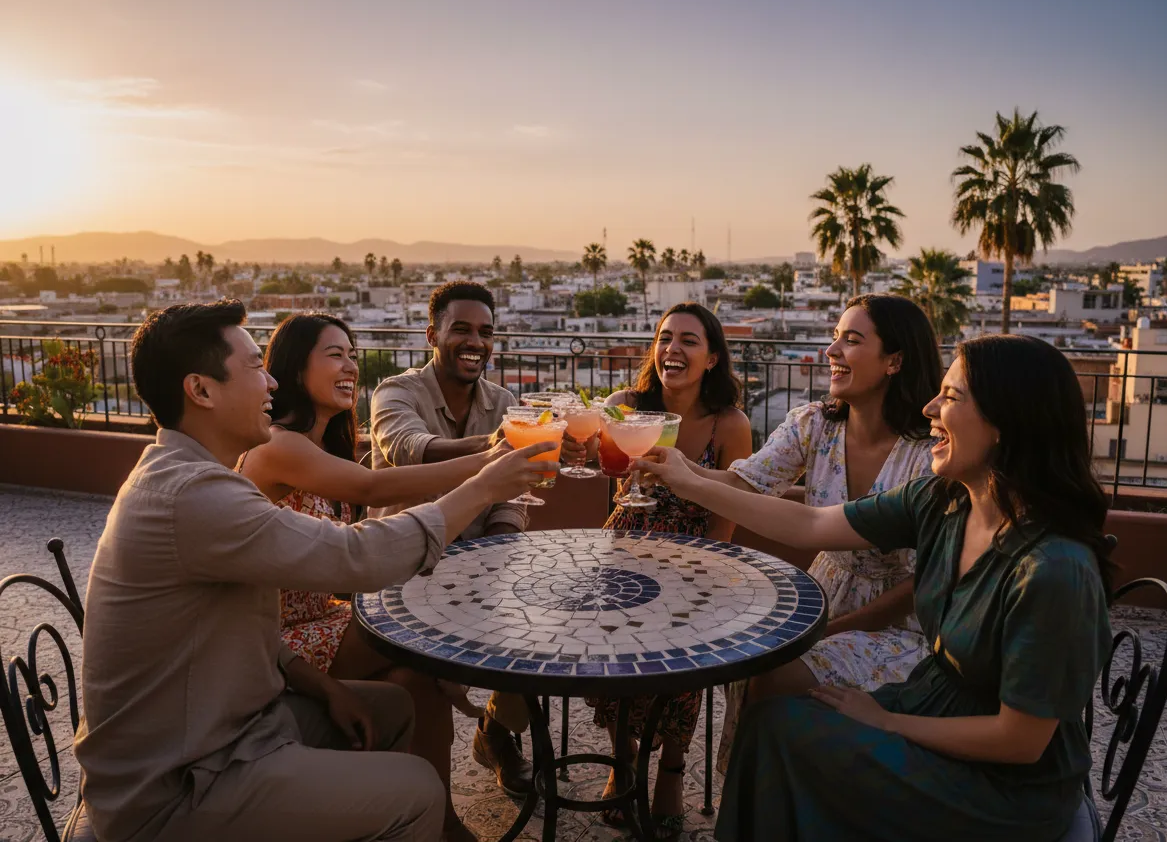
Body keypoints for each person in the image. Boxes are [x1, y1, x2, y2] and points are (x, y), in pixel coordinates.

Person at [74, 300, 558, 842]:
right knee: (416, 788)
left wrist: (324, 690)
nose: (271, 384)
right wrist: (487, 483)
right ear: (201, 390)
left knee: (396, 704)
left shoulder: (192, 477)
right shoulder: (193, 496)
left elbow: (250, 628)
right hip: (179, 784)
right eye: (257, 368)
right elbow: (356, 558)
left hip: (233, 724)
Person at [638, 334, 1113, 842]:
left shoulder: (1054, 570)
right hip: (930, 704)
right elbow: (811, 525)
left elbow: (1019, 742)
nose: (931, 406)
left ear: (1006, 423)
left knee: (789, 736)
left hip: (1003, 790)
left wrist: (887, 722)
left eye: (951, 397)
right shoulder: (943, 500)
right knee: (770, 723)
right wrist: (689, 483)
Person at [237, 312, 495, 841]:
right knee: (416, 630)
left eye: (353, 354)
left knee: (411, 677)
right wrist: (493, 467)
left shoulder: (321, 445)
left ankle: (430, 817)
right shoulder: (278, 445)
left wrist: (490, 450)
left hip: (321, 622)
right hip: (275, 642)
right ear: (290, 367)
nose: (351, 365)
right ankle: (455, 789)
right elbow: (375, 490)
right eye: (335, 355)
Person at [711, 294, 944, 772]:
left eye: (851, 340)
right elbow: (742, 481)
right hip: (825, 589)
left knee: (773, 674)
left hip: (903, 621)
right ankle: (758, 796)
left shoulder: (928, 456)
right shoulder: (814, 424)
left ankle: (774, 794)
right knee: (751, 662)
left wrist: (827, 631)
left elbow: (922, 584)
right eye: (835, 337)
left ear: (895, 360)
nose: (831, 351)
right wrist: (669, 465)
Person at [569, 302, 752, 839]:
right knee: (612, 656)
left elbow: (731, 507)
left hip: (696, 549)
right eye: (665, 337)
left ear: (712, 358)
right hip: (627, 538)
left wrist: (710, 572)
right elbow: (610, 469)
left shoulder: (730, 424)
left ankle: (671, 770)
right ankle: (622, 761)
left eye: (690, 341)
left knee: (682, 667)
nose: (673, 348)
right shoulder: (624, 405)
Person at [369, 280, 534, 800]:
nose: (475, 342)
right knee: (424, 680)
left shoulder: (504, 400)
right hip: (408, 563)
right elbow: (408, 449)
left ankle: (496, 732)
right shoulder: (396, 392)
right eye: (460, 329)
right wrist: (492, 449)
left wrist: (502, 544)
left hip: (481, 562)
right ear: (431, 335)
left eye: (485, 332)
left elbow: (514, 493)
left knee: (539, 627)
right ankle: (428, 797)